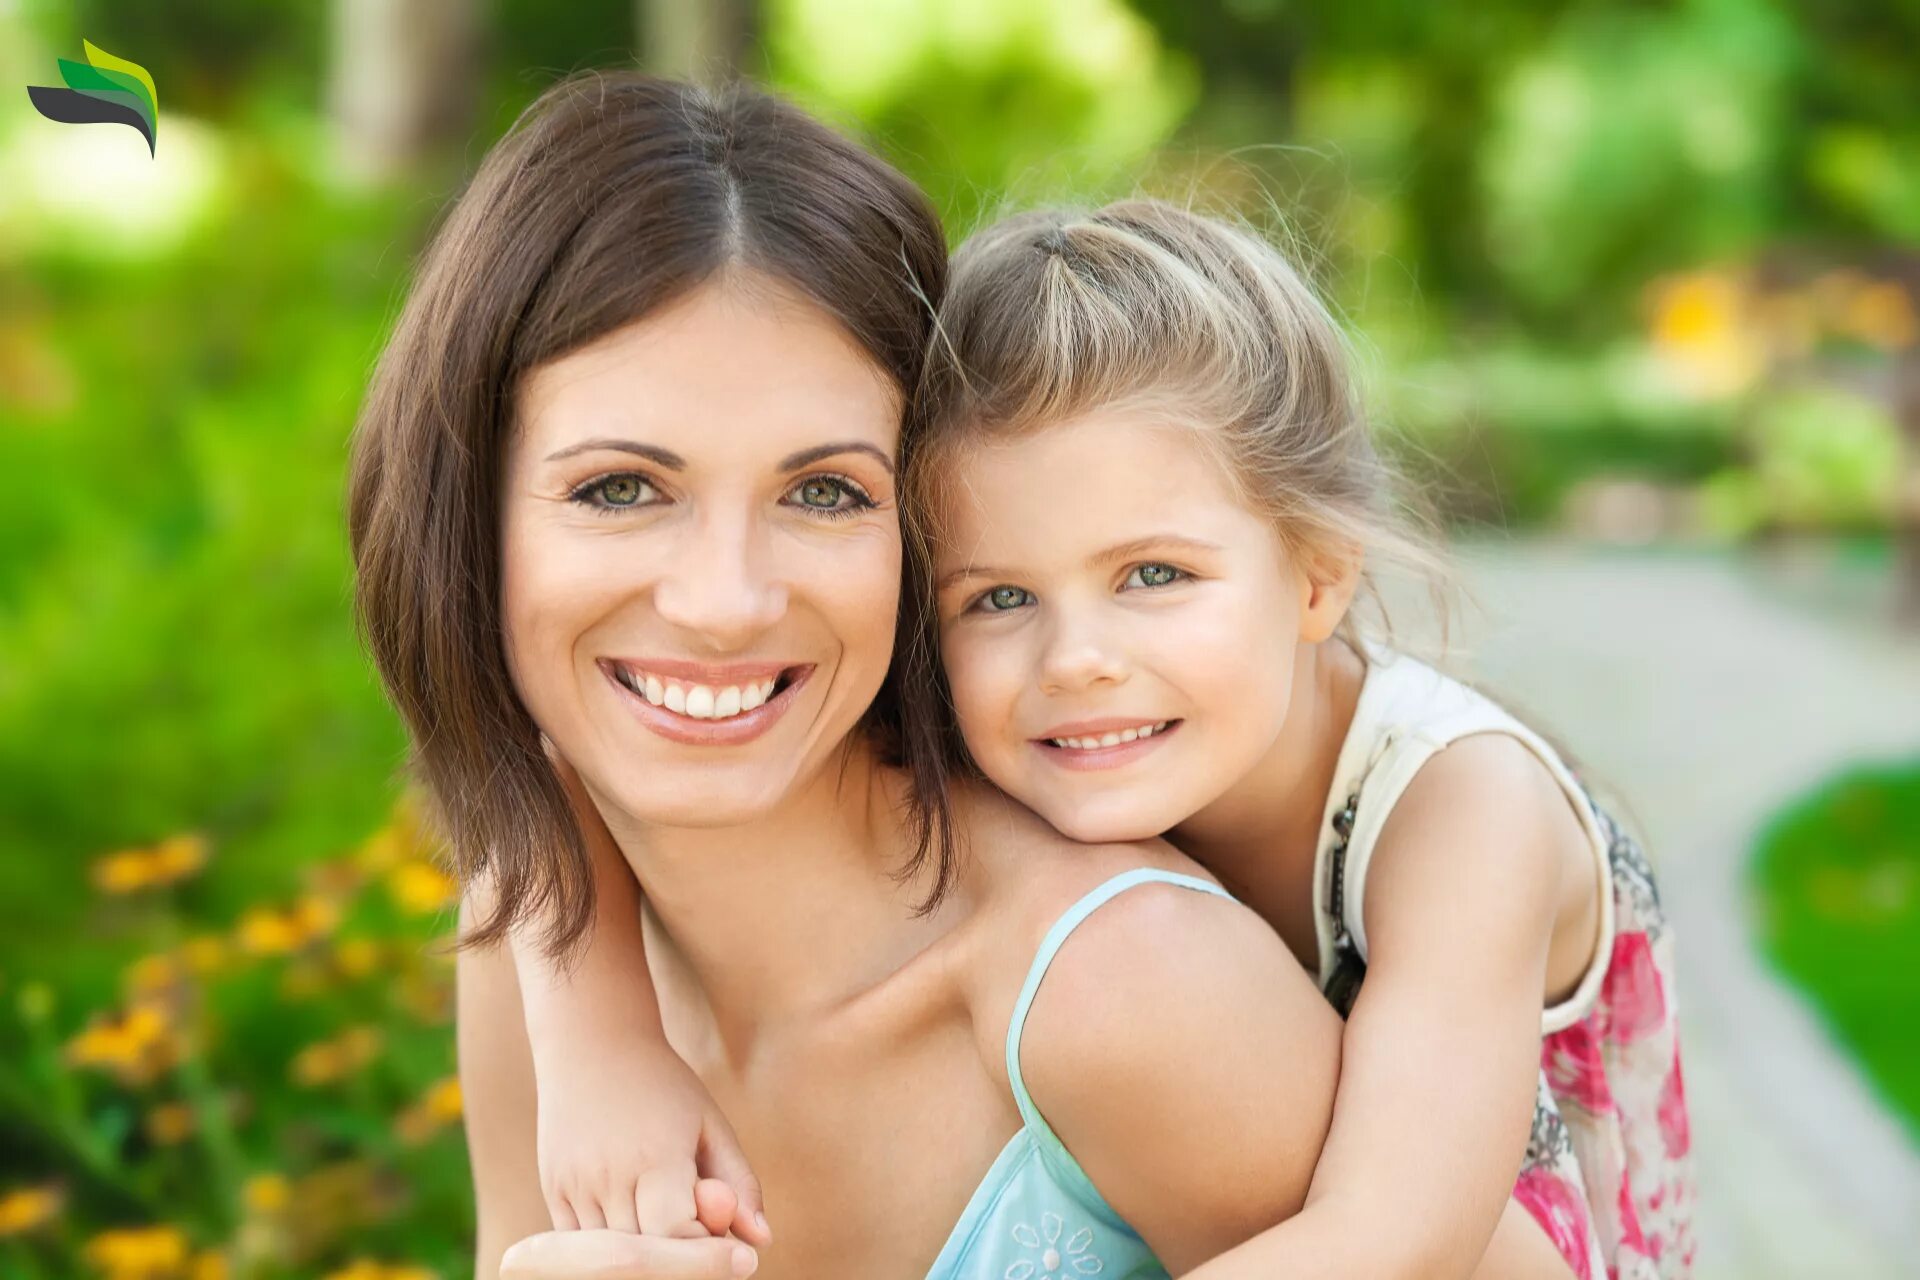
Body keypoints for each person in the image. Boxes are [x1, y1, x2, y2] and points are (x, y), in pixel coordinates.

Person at [504, 189, 1696, 1278]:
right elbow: (560, 767)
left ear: (1321, 572)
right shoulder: (1078, 741)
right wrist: (598, 1042)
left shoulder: (1463, 809)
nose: (1074, 657)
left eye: (1154, 573)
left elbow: (1393, 1234)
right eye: (999, 597)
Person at [346, 71, 1365, 1280]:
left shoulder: (1123, 989)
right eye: (619, 488)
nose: (724, 602)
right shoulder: (542, 938)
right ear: (465, 516)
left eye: (825, 490)